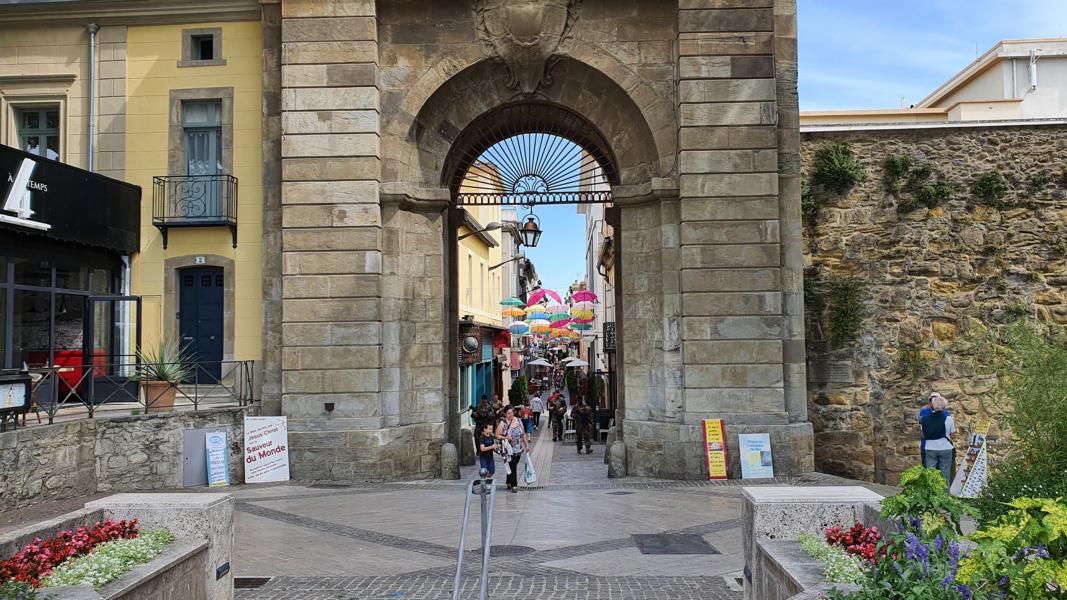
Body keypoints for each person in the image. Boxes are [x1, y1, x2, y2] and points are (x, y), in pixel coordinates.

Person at [920, 395, 955, 484]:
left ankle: (932, 494)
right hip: (945, 448)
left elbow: (923, 435)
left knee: (931, 474)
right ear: (943, 406)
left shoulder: (923, 419)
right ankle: (944, 495)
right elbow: (952, 435)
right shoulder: (949, 419)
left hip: (930, 448)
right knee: (945, 474)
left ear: (932, 405)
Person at [495, 405, 529, 493]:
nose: (511, 414)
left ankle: (508, 481)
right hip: (508, 449)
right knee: (513, 466)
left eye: (512, 412)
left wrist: (526, 446)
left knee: (513, 465)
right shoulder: (503, 423)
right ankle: (514, 485)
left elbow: (523, 434)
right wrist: (506, 437)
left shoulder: (518, 421)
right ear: (505, 414)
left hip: (518, 448)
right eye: (509, 413)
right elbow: (497, 435)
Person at [919, 392, 951, 468]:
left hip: (933, 446)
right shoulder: (924, 412)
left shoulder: (945, 413)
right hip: (931, 446)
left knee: (934, 470)